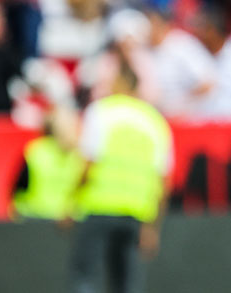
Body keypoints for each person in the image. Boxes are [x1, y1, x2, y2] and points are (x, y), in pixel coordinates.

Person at [71, 48, 173, 293]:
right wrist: (153, 227)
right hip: (136, 211)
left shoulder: (101, 111)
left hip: (99, 206)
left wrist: (70, 200)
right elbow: (164, 181)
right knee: (126, 282)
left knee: (84, 276)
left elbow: (88, 163)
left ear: (120, 82)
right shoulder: (155, 121)